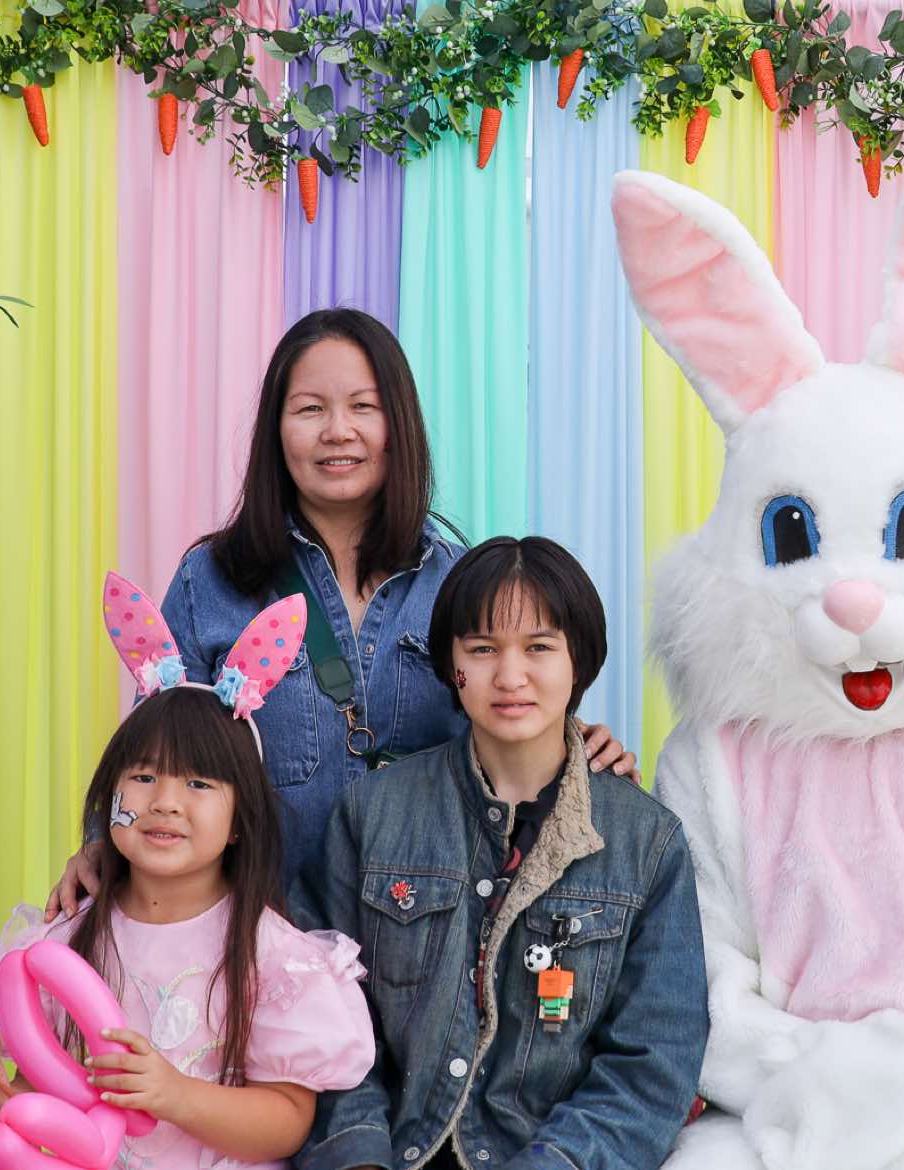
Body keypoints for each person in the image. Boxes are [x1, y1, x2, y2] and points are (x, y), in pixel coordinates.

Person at [46, 308, 634, 915]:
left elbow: (506, 731)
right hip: (256, 935)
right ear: (276, 430)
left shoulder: (458, 582)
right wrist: (102, 843)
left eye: (363, 407)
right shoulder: (211, 578)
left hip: (429, 938)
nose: (338, 431)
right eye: (309, 409)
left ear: (398, 424)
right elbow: (157, 747)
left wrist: (579, 746)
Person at [294, 536, 708, 1170]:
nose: (510, 675)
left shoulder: (646, 842)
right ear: (453, 665)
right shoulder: (374, 813)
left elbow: (652, 1065)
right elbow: (318, 1018)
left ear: (579, 661)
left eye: (538, 648)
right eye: (482, 648)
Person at [0, 661, 377, 1170]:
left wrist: (175, 1094)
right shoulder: (69, 936)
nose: (165, 801)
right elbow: (61, 1100)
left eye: (199, 783)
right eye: (142, 776)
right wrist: (3, 1105)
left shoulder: (268, 952)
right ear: (108, 799)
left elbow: (289, 1119)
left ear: (240, 820)